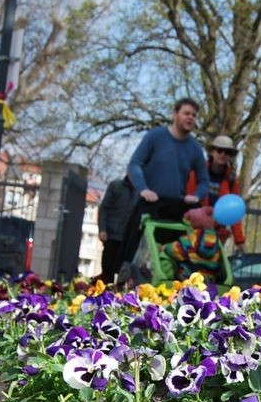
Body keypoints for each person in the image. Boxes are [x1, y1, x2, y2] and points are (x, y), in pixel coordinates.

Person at [120, 98, 211, 268]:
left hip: (176, 207)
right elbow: (134, 164)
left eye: (193, 115)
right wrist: (143, 189)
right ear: (175, 114)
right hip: (149, 203)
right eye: (186, 113)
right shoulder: (155, 136)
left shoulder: (195, 148)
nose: (190, 117)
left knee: (174, 255)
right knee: (134, 253)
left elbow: (204, 180)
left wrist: (197, 195)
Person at [186, 135, 246, 255]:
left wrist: (239, 240)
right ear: (212, 152)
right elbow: (188, 200)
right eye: (219, 150)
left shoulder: (231, 179)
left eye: (227, 152)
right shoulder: (197, 173)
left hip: (217, 235)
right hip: (194, 230)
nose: (223, 154)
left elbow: (234, 210)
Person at [96, 175, 136, 282]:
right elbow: (104, 208)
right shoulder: (116, 186)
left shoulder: (142, 190)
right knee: (107, 271)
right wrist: (102, 229)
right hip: (112, 235)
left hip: (129, 239)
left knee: (125, 273)